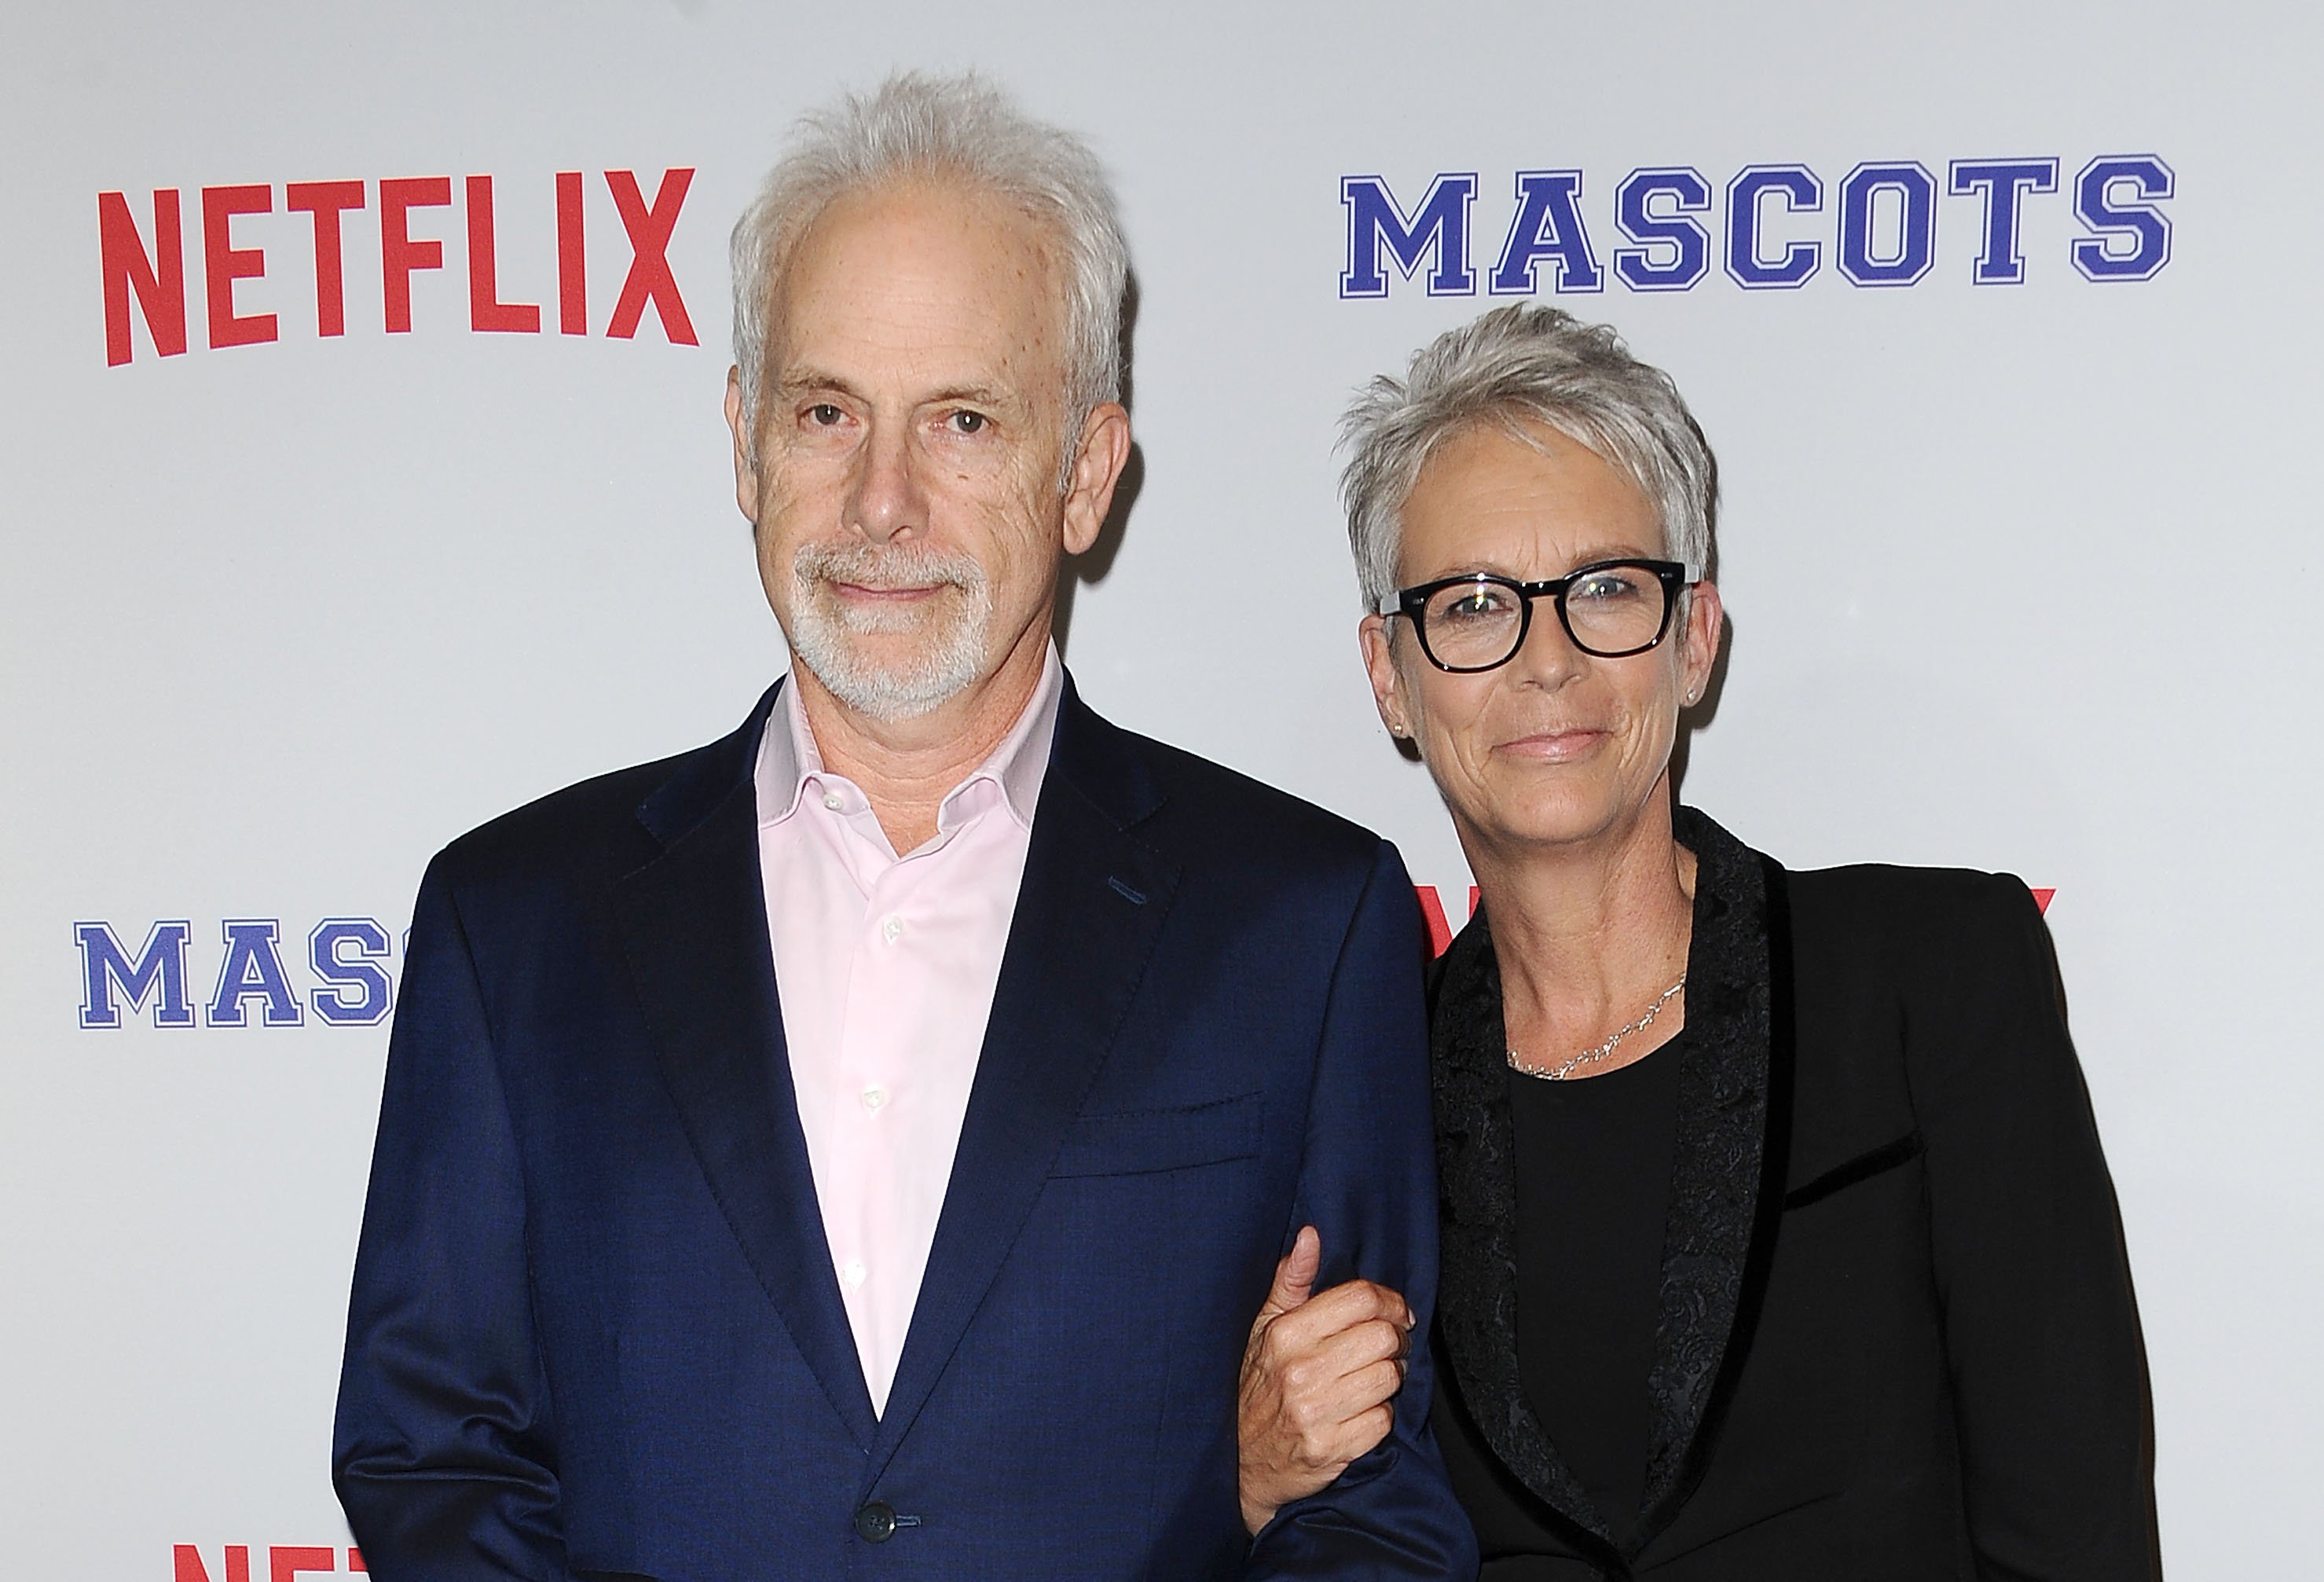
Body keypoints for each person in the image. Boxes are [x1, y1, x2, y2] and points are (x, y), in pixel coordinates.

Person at [332, 73, 1474, 1580]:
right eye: (825, 413)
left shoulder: (1305, 922)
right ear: (745, 441)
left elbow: (1374, 1515)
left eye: (963, 419)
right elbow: (429, 1457)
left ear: (1083, 470)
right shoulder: (513, 923)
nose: (882, 502)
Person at [1234, 303, 2160, 1578]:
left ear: (1696, 637)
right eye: (1473, 603)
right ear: (1391, 674)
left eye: (1606, 589)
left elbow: (2078, 1535)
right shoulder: (1347, 1084)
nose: (1545, 659)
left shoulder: (1934, 978)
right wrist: (1250, 1480)